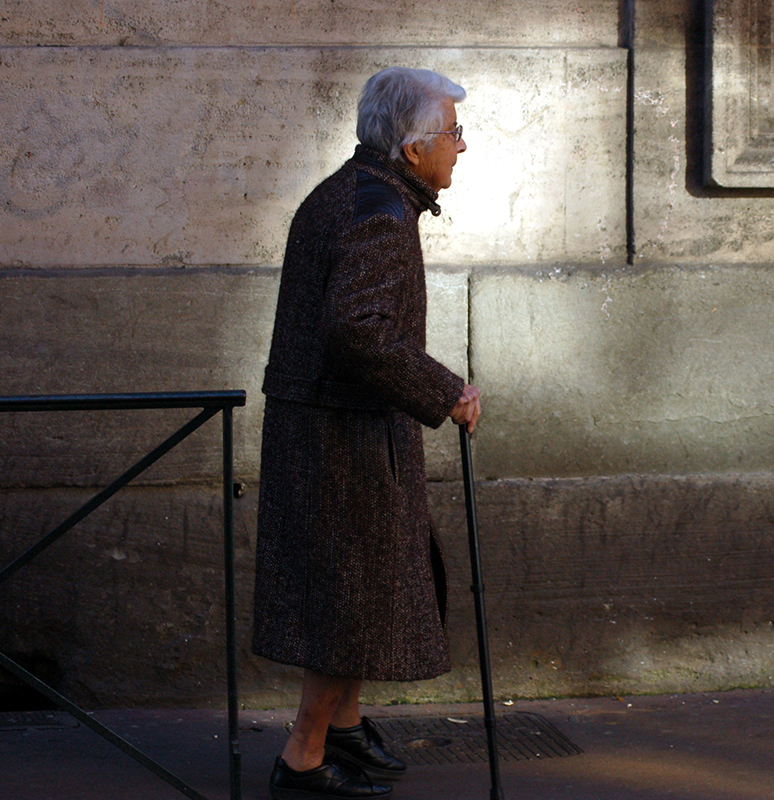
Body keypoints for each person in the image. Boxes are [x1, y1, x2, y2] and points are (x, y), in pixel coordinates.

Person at [251, 66, 481, 800]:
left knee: (354, 593)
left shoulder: (357, 192)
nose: (462, 146)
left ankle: (343, 727)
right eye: (452, 132)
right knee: (347, 601)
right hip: (341, 439)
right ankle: (304, 757)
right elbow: (358, 330)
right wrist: (448, 392)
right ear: (412, 149)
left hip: (333, 427)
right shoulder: (379, 211)